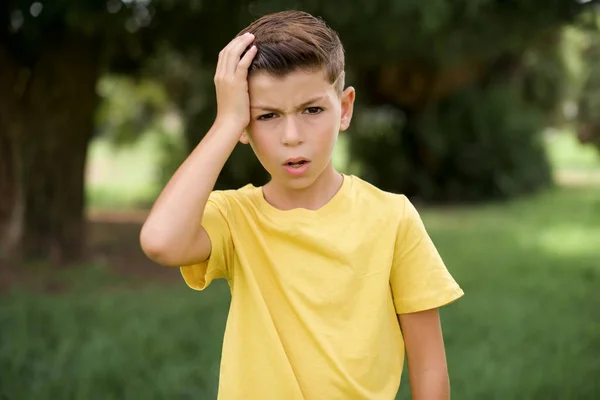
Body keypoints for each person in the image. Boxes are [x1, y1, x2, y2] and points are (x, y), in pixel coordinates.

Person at [140, 10, 464, 400]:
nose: (292, 136)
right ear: (245, 124)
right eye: (268, 116)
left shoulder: (392, 218)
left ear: (344, 108)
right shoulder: (235, 218)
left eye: (312, 110)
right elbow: (161, 240)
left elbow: (429, 369)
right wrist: (226, 121)